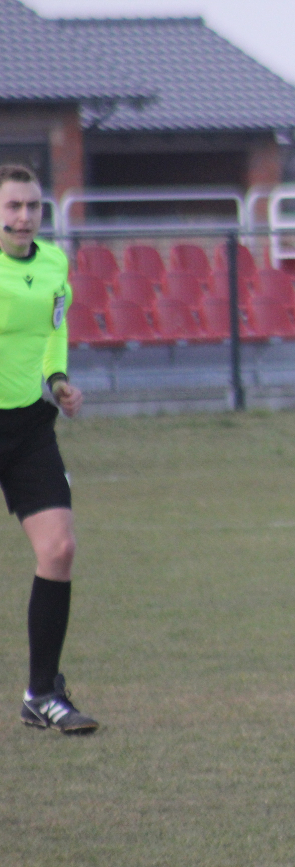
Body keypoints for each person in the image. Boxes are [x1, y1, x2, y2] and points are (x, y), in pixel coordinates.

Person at [0, 164, 96, 734]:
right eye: (12, 206)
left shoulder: (55, 263)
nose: (23, 217)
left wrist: (57, 378)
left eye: (32, 206)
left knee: (58, 549)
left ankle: (42, 694)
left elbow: (53, 328)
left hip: (28, 427)